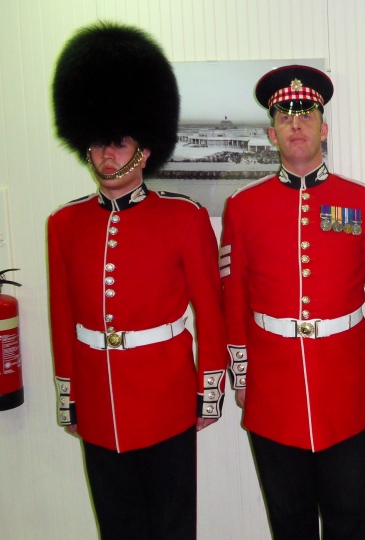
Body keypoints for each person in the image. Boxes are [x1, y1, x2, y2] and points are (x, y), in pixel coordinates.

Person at [48, 22, 226, 540]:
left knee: (173, 529)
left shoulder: (184, 218)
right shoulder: (64, 224)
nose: (107, 156)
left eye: (119, 143)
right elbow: (63, 316)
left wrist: (208, 391)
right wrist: (69, 397)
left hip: (167, 401)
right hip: (99, 404)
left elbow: (209, 312)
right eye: (99, 143)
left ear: (144, 149)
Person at [220, 65, 365, 540]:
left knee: (347, 523)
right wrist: (241, 374)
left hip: (344, 387)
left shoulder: (361, 202)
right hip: (272, 391)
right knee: (289, 525)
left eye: (306, 113)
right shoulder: (243, 206)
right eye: (284, 115)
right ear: (271, 131)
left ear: (324, 126)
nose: (295, 123)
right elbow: (232, 296)